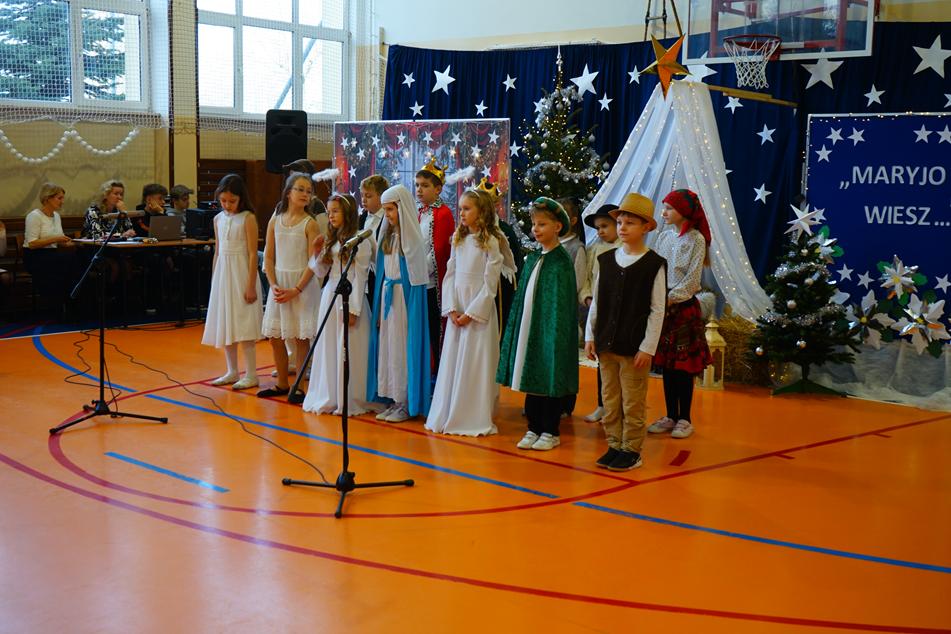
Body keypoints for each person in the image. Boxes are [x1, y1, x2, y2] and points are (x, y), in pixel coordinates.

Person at [584, 193, 667, 471]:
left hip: (634, 348)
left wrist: (648, 347)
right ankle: (614, 444)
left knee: (633, 401)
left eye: (630, 223)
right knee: (610, 398)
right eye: (620, 222)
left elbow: (657, 309)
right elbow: (597, 302)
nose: (622, 227)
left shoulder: (654, 264)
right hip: (606, 344)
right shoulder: (606, 260)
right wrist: (590, 336)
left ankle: (631, 449)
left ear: (646, 227)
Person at [425, 188, 515, 437]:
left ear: (482, 212)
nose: (462, 213)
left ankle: (472, 415)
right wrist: (453, 308)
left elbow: (490, 284)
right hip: (459, 309)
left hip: (478, 313)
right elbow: (450, 274)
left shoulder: (492, 242)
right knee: (454, 362)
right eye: (461, 208)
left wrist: (471, 313)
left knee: (475, 363)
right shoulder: (459, 238)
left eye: (467, 209)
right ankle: (449, 410)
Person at [497, 197, 578, 451]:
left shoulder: (561, 262)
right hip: (530, 327)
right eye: (534, 224)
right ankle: (533, 427)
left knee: (549, 377)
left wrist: (553, 332)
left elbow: (562, 303)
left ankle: (550, 430)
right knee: (531, 375)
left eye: (542, 224)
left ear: (558, 227)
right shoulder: (533, 258)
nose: (536, 229)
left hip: (550, 332)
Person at [303, 193, 380, 416]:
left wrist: (353, 309)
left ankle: (350, 396)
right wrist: (317, 252)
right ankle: (331, 394)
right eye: (329, 212)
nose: (331, 216)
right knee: (330, 346)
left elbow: (361, 276)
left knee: (348, 346)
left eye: (335, 211)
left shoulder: (359, 240)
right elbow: (321, 272)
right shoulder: (332, 238)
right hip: (330, 294)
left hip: (350, 296)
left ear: (347, 212)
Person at [647, 189, 714, 439]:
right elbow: (655, 269)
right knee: (667, 366)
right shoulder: (664, 237)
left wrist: (670, 298)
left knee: (683, 368)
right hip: (662, 306)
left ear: (683, 212)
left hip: (681, 308)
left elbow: (692, 279)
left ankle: (684, 418)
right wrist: (656, 297)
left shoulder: (696, 240)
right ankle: (670, 415)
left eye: (669, 208)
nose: (663, 212)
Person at [367, 184, 432, 423]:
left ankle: (406, 401)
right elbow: (382, 271)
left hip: (403, 303)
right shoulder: (387, 237)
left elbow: (415, 279)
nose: (387, 215)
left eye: (391, 209)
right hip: (389, 298)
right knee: (388, 349)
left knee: (402, 349)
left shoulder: (411, 241)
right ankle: (393, 399)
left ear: (402, 208)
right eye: (385, 210)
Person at [258, 173, 321, 397]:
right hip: (279, 285)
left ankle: (299, 388)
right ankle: (282, 383)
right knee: (276, 337)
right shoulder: (275, 221)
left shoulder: (310, 224)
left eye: (308, 191)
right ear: (288, 192)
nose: (305, 194)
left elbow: (313, 262)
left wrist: (296, 289)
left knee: (301, 338)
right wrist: (273, 284)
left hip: (302, 286)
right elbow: (269, 257)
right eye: (300, 189)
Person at [201, 174, 263, 391]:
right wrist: (214, 279)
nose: (227, 205)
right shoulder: (218, 219)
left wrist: (250, 285)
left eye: (232, 201)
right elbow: (218, 251)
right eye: (223, 201)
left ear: (241, 199)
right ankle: (232, 371)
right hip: (224, 275)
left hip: (242, 274)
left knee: (244, 322)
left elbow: (253, 254)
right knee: (226, 321)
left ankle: (252, 374)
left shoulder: (248, 218)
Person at [579, 203, 621, 423]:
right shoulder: (594, 249)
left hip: (619, 314)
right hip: (599, 311)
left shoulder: (625, 249)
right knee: (602, 360)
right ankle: (602, 405)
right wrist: (587, 297)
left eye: (605, 226)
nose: (601, 231)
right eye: (598, 228)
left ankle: (618, 407)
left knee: (619, 362)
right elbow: (587, 278)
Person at [415, 158, 455, 366]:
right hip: (419, 280)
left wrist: (420, 271)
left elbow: (439, 250)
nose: (419, 190)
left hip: (431, 282)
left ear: (438, 189)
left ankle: (437, 369)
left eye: (425, 186)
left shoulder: (443, 213)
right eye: (417, 185)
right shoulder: (419, 212)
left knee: (434, 327)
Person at [557, 196, 588, 418]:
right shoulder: (550, 245)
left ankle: (564, 404)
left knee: (564, 360)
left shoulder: (577, 248)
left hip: (565, 313)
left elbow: (576, 283)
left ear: (573, 220)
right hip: (549, 312)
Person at [24, 182, 76, 304]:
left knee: (76, 257)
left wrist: (75, 243)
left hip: (52, 254)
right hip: (35, 256)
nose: (62, 201)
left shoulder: (56, 216)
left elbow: (60, 242)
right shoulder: (34, 216)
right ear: (47, 198)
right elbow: (32, 244)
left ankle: (70, 299)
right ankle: (62, 300)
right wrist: (56, 239)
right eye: (59, 198)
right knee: (69, 261)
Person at [359, 174, 390, 310]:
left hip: (381, 273)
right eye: (362, 195)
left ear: (382, 196)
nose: (363, 200)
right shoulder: (363, 217)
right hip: (365, 274)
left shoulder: (387, 218)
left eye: (368, 196)